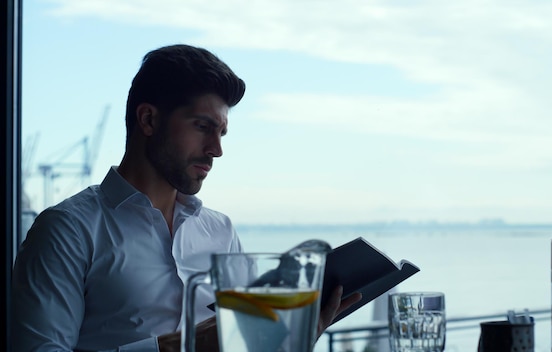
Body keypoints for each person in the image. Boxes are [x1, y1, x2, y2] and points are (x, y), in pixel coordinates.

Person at [11, 44, 361, 352]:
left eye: (222, 132)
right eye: (202, 127)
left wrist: (292, 341)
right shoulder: (67, 230)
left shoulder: (221, 231)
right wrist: (178, 348)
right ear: (148, 119)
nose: (217, 149)